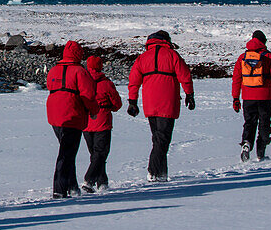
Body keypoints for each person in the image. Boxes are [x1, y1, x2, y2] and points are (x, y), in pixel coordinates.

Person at [127, 30, 194, 182]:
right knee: (162, 139)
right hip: (168, 102)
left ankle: (161, 173)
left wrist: (133, 101)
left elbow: (134, 81)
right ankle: (154, 171)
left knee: (158, 138)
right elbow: (185, 75)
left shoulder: (142, 58)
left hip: (150, 103)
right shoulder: (172, 55)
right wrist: (189, 94)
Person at [45, 42, 99, 198]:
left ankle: (71, 186)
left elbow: (50, 86)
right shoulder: (80, 71)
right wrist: (94, 111)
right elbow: (88, 95)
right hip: (72, 115)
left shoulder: (54, 70)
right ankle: (60, 189)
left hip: (54, 115)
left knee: (67, 152)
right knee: (67, 153)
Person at [232, 30, 271, 161]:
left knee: (249, 122)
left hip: (248, 97)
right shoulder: (269, 56)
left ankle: (246, 143)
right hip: (265, 96)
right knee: (264, 123)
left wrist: (235, 98)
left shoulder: (242, 57)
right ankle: (261, 152)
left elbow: (236, 79)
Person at [83, 55, 122, 192]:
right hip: (102, 121)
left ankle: (102, 182)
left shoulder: (82, 81)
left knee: (95, 154)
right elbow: (117, 103)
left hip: (86, 123)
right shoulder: (106, 83)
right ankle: (89, 180)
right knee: (100, 154)